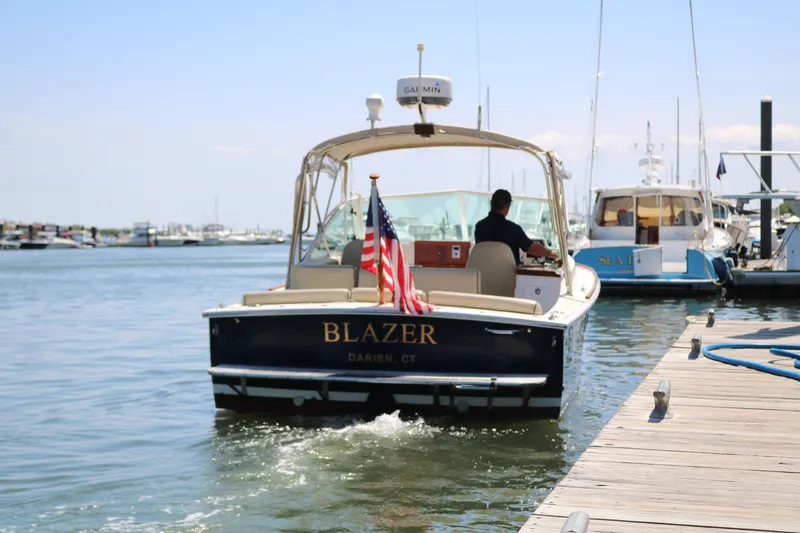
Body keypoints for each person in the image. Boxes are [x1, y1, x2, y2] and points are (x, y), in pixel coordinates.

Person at [474, 189, 559, 265]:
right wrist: (551, 253)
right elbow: (531, 249)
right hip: (508, 278)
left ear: (491, 203)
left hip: (484, 277)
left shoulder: (479, 227)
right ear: (508, 206)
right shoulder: (513, 229)